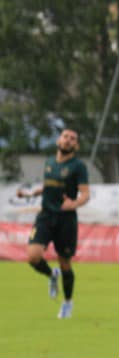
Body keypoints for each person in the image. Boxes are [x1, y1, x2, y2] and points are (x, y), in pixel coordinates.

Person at [15, 127, 90, 319]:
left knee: (65, 263)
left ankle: (67, 303)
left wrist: (73, 204)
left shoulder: (78, 166)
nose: (68, 140)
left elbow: (85, 194)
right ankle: (51, 275)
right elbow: (49, 187)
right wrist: (31, 194)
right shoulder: (49, 162)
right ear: (58, 140)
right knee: (33, 256)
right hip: (46, 216)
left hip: (66, 219)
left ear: (76, 145)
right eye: (65, 136)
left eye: (72, 138)